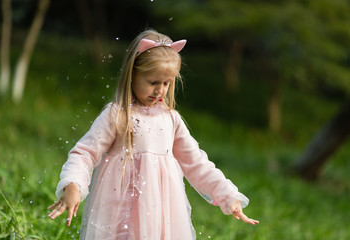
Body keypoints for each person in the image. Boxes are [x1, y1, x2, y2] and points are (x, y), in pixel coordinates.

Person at [48, 29, 259, 239]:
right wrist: (73, 184)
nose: (159, 90)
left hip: (161, 216)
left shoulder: (171, 120)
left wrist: (227, 195)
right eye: (153, 82)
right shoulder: (118, 115)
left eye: (166, 83)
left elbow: (197, 163)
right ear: (132, 75)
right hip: (118, 211)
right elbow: (85, 153)